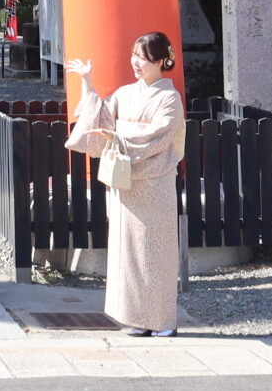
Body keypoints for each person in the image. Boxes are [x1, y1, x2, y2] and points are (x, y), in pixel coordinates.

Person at [66, 31, 185, 336]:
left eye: (142, 57)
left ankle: (162, 321)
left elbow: (160, 135)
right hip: (125, 184)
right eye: (133, 55)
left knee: (154, 254)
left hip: (154, 184)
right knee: (129, 254)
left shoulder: (170, 98)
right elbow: (102, 119)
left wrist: (118, 136)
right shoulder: (125, 93)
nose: (135, 62)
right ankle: (137, 318)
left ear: (160, 60)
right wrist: (88, 82)